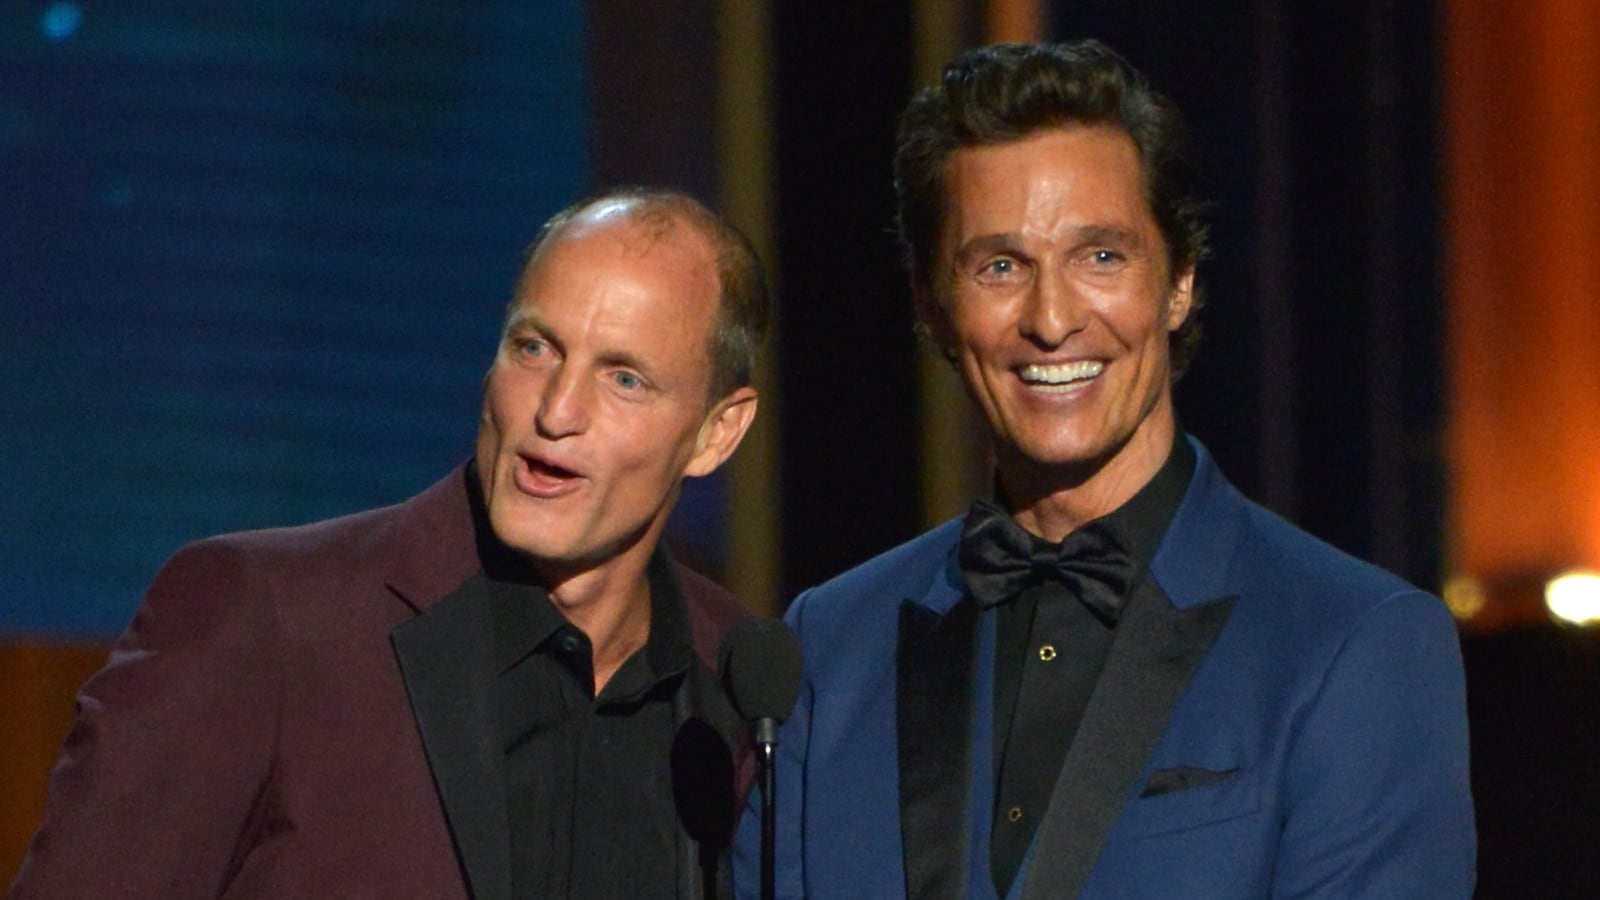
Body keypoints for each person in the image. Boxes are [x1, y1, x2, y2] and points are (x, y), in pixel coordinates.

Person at [733, 41, 1474, 898]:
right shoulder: (828, 647)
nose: (1051, 320)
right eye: (1000, 266)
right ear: (932, 307)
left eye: (1101, 257)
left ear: (1180, 281)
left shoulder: (1354, 644)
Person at [12, 188, 768, 899]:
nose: (557, 410)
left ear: (716, 431)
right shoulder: (266, 618)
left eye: (625, 379)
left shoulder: (741, 690)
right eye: (535, 348)